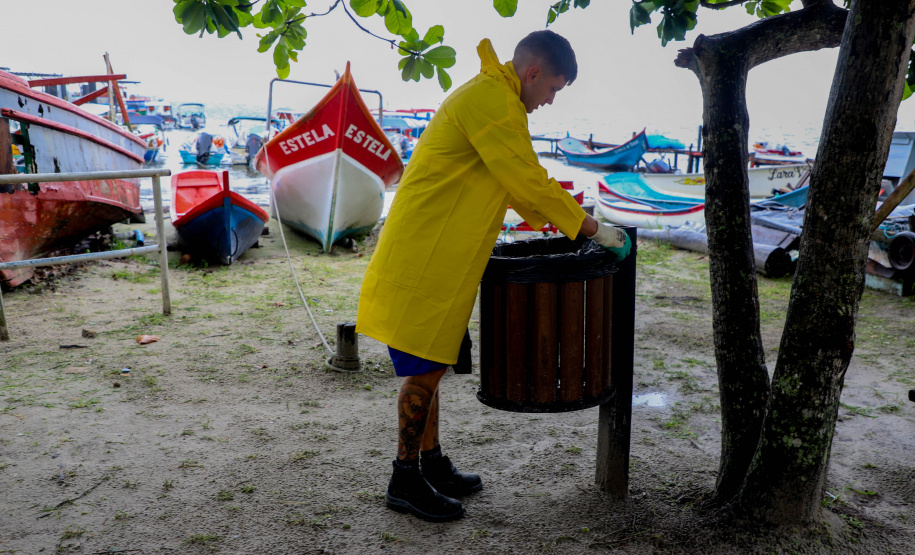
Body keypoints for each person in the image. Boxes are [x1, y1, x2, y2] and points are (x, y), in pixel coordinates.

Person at [356, 30, 631, 522]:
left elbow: (516, 179)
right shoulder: (494, 102)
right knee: (424, 370)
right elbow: (528, 179)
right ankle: (404, 479)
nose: (549, 101)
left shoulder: (492, 96)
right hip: (424, 254)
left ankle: (431, 463)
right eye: (552, 89)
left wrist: (566, 217)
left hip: (438, 252)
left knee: (433, 363)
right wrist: (593, 229)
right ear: (532, 73)